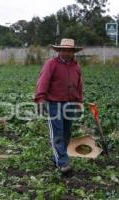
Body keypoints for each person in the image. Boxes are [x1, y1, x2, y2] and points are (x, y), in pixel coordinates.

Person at [34, 38, 84, 173]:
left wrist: (79, 101)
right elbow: (43, 81)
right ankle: (62, 163)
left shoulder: (76, 67)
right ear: (59, 51)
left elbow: (79, 85)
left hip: (70, 104)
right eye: (64, 50)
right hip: (54, 104)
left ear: (73, 52)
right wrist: (40, 99)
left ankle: (57, 157)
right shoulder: (51, 64)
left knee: (67, 133)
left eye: (69, 51)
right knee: (57, 133)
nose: (66, 53)